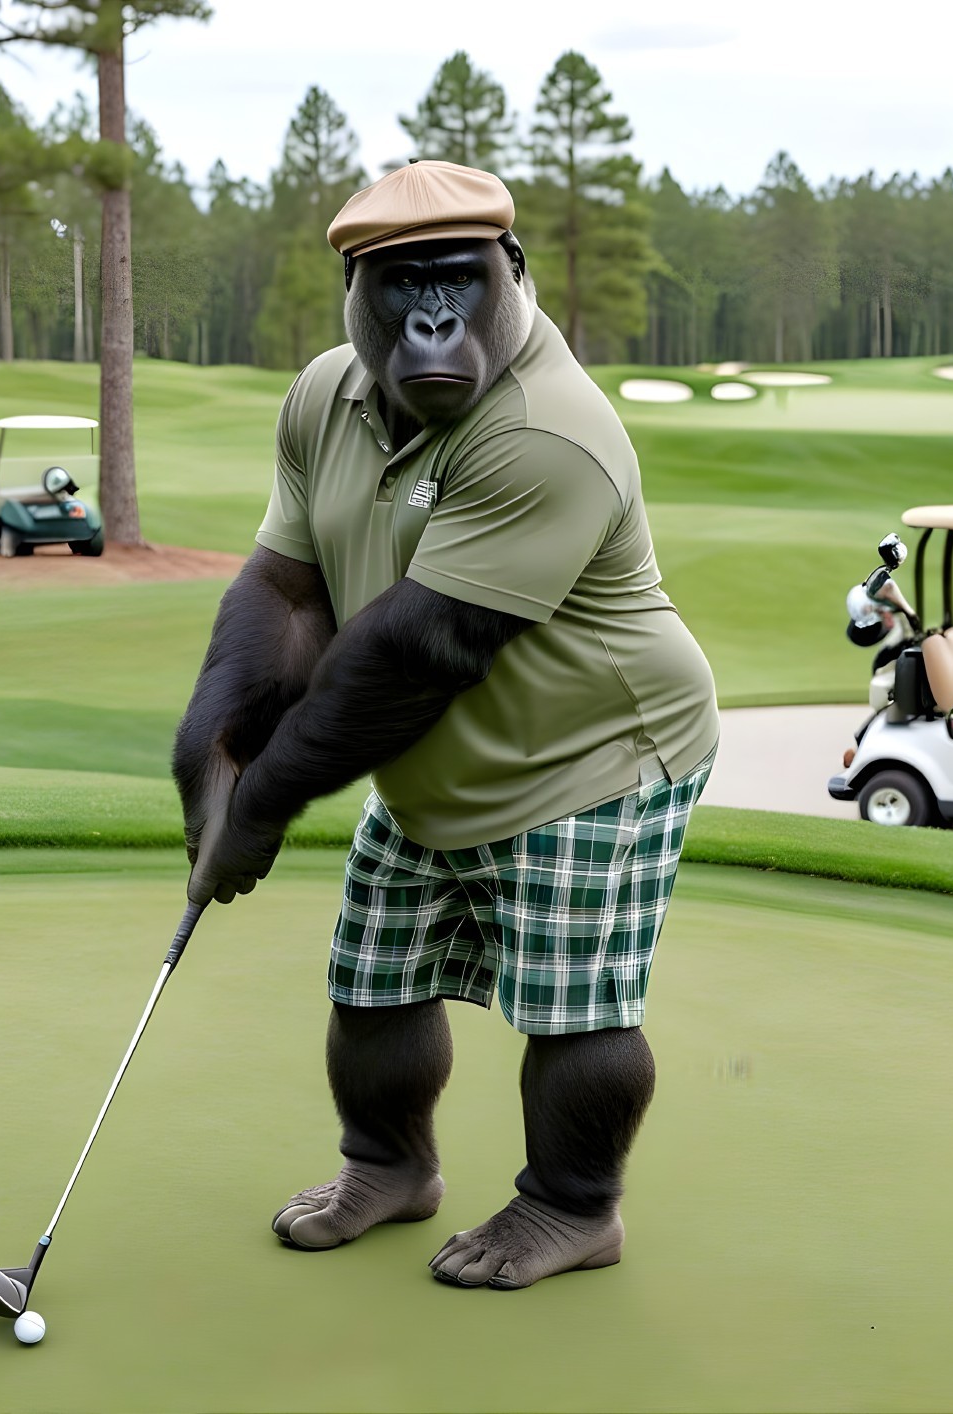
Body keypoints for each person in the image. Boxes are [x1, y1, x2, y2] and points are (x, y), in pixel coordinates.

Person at [174, 161, 720, 1290]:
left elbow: (413, 653)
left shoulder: (545, 431)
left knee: (575, 1011)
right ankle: (388, 1166)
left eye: (459, 282)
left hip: (597, 756)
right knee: (373, 979)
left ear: (512, 276)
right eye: (401, 285)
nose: (432, 314)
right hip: (431, 762)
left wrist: (265, 805)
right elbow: (284, 596)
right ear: (353, 295)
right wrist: (213, 758)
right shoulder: (326, 395)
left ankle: (573, 1206)